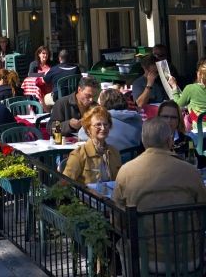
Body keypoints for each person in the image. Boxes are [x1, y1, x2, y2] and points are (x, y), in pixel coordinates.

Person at [112, 118, 206, 274]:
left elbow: (117, 219)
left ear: (143, 141)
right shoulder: (190, 171)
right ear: (170, 141)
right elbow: (203, 210)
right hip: (188, 258)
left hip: (145, 260)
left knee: (122, 242)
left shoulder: (126, 171)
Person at [63, 106, 121, 185]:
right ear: (88, 129)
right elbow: (64, 185)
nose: (103, 128)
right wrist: (87, 190)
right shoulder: (78, 155)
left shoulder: (114, 152)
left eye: (105, 124)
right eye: (98, 125)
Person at [77, 89, 142, 151]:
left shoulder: (99, 119)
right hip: (132, 159)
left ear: (103, 105)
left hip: (107, 160)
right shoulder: (137, 119)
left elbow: (82, 134)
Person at [168, 57, 206, 126]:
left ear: (200, 74)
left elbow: (178, 104)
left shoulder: (190, 88)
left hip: (199, 130)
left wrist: (174, 86)